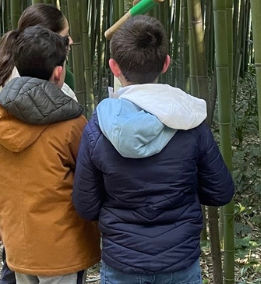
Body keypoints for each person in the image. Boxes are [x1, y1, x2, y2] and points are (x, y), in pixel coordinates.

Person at [72, 15, 235, 283]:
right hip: (180, 261)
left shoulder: (98, 129)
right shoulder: (190, 121)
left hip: (123, 261)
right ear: (166, 63)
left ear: (114, 67)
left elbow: (86, 206)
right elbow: (221, 191)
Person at [0, 25, 100, 284]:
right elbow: (90, 176)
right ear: (59, 72)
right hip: (62, 248)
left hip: (19, 246)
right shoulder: (71, 125)